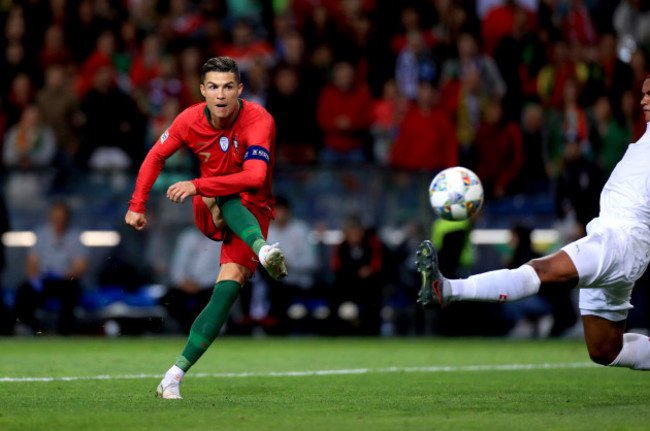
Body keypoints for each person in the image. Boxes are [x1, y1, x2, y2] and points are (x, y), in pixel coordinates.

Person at [415, 74, 650, 371]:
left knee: (539, 270)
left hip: (622, 239)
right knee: (605, 349)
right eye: (643, 93)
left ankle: (446, 289)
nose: (643, 100)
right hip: (612, 236)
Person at [124, 56, 287, 399]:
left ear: (240, 89)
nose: (221, 94)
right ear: (202, 91)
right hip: (211, 206)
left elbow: (257, 177)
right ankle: (263, 248)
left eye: (228, 86)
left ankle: (173, 375)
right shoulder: (189, 120)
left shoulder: (259, 120)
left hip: (254, 208)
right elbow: (156, 155)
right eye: (213, 87)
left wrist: (196, 184)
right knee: (226, 191)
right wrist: (137, 205)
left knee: (228, 290)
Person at [13, 201, 89, 335]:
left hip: (66, 280)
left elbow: (80, 266)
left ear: (67, 218)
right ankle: (33, 329)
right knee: (23, 291)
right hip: (44, 280)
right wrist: (35, 279)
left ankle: (65, 333)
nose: (59, 221)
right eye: (56, 217)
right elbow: (32, 262)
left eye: (62, 217)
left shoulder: (75, 237)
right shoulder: (41, 234)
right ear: (51, 217)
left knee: (72, 291)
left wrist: (65, 275)